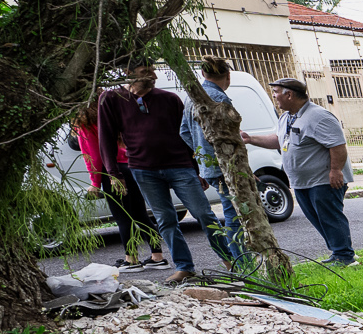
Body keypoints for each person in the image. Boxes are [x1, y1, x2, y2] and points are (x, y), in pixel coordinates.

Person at [99, 63, 237, 283]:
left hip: (180, 165)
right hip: (143, 170)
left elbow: (187, 134)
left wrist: (197, 168)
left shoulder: (170, 99)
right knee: (165, 219)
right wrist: (113, 172)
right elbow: (105, 137)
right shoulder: (111, 99)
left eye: (153, 71)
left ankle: (230, 262)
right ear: (128, 73)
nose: (154, 76)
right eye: (146, 72)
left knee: (203, 213)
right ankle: (184, 267)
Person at [246, 77, 356, 266]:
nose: (274, 97)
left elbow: (337, 145)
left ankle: (345, 256)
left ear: (289, 94)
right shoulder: (286, 117)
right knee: (317, 218)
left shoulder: (318, 116)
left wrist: (336, 170)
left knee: (330, 217)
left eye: (276, 92)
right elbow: (279, 140)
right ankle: (338, 252)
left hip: (323, 180)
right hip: (302, 181)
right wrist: (250, 139)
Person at [75, 98, 164, 271]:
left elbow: (93, 154)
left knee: (123, 217)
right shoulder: (111, 115)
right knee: (140, 214)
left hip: (112, 172)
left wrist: (95, 182)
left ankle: (131, 260)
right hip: (130, 167)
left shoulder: (84, 122)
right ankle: (157, 256)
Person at [178, 58, 243, 238]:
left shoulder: (191, 97)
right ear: (228, 76)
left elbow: (184, 131)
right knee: (234, 213)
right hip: (225, 162)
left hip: (208, 166)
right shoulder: (220, 98)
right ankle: (240, 258)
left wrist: (201, 151)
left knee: (229, 207)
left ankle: (238, 256)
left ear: (203, 73)